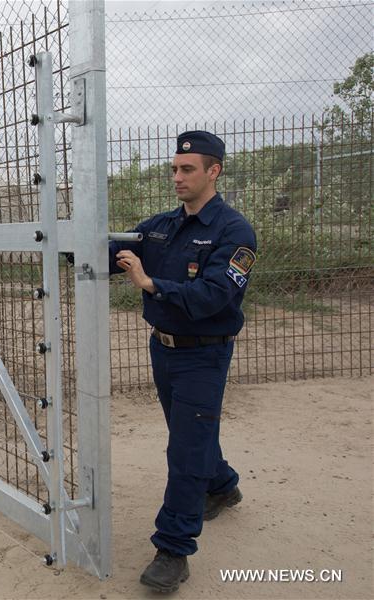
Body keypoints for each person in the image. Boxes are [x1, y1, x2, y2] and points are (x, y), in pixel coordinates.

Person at [109, 131, 257, 593]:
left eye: (187, 169)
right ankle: (222, 485)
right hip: (164, 348)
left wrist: (151, 285)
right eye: (174, 168)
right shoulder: (163, 226)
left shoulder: (234, 232)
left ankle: (173, 548)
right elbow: (115, 250)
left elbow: (215, 295)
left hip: (204, 353)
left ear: (214, 171)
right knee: (189, 433)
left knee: (186, 447)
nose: (177, 177)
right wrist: (59, 239)